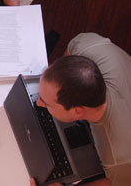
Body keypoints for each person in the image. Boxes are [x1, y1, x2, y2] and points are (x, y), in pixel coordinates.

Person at [34, 33, 131, 186]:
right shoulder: (87, 46)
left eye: (47, 103)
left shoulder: (118, 159)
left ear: (77, 111)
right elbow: (71, 52)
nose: (38, 103)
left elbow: (116, 182)